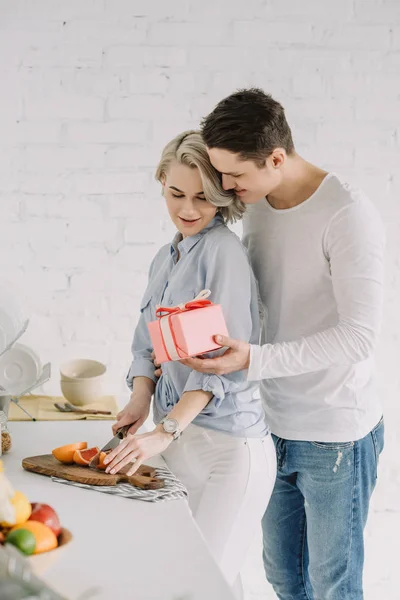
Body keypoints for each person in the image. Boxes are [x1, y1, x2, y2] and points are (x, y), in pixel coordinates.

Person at [183, 89, 385, 600]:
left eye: (236, 176)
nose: (226, 188)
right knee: (285, 579)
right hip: (268, 423)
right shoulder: (259, 202)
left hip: (333, 433)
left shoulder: (348, 215)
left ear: (276, 158)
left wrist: (255, 359)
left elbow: (360, 335)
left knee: (333, 587)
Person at [104, 131, 276, 597]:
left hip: (229, 452)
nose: (188, 208)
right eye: (176, 193)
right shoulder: (167, 256)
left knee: (196, 588)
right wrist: (141, 399)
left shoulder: (224, 253)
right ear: (161, 180)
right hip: (181, 442)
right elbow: (146, 341)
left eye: (203, 197)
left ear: (222, 198)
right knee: (213, 583)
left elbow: (216, 365)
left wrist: (165, 431)